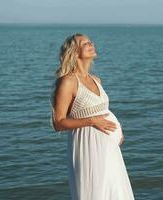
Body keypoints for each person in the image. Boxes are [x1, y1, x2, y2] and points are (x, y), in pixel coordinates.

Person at [50, 33, 135, 200]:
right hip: (88, 147)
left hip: (109, 149)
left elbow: (101, 109)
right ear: (74, 52)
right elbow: (58, 122)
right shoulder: (68, 82)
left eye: (91, 41)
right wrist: (91, 121)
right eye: (85, 43)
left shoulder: (96, 79)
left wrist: (117, 127)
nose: (91, 44)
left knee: (115, 192)